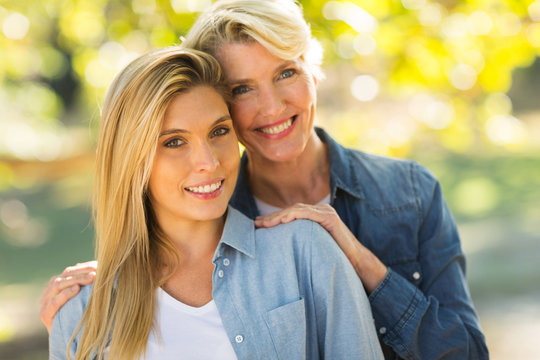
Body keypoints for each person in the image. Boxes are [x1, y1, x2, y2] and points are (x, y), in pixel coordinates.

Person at [43, 1, 488, 359]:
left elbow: (466, 353)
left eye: (286, 73)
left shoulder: (405, 194)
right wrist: (95, 301)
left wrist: (357, 257)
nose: (272, 106)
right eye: (242, 88)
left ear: (313, 73)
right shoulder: (208, 203)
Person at [48, 46, 383, 359]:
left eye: (219, 132)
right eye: (175, 142)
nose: (208, 161)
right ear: (132, 160)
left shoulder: (305, 252)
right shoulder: (82, 310)